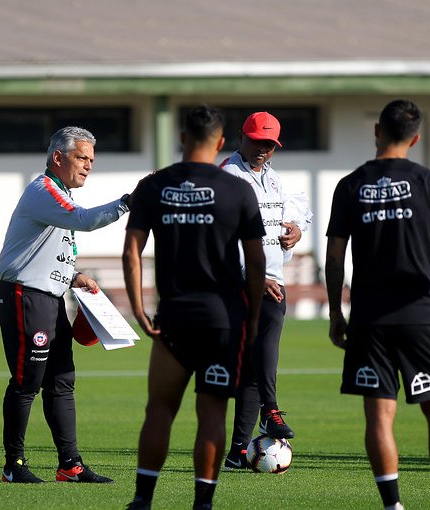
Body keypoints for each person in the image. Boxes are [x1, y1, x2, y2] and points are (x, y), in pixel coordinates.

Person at [123, 105, 266, 510]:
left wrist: (139, 310)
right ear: (221, 143)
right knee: (212, 415)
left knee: (159, 411)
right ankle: (202, 503)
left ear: (182, 138)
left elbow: (132, 253)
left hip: (173, 321)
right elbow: (256, 262)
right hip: (223, 322)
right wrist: (253, 318)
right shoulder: (239, 190)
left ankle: (142, 500)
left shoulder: (154, 187)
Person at [325, 99, 430, 510]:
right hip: (419, 316)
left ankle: (393, 506)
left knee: (379, 417)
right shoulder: (428, 181)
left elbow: (334, 257)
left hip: (369, 320)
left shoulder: (349, 185)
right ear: (415, 138)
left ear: (376, 131)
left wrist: (336, 312)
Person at [0, 126, 129, 484]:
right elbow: (82, 220)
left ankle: (70, 465)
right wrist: (129, 201)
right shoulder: (44, 190)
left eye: (91, 160)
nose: (88, 165)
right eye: (82, 157)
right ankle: (14, 465)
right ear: (58, 157)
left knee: (63, 381)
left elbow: (46, 253)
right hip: (24, 295)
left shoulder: (60, 194)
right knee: (27, 382)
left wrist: (74, 275)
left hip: (48, 297)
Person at [219, 111, 304, 469]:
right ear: (242, 137)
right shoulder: (227, 175)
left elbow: (297, 209)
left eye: (269, 145)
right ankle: (269, 410)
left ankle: (239, 452)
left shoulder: (273, 179)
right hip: (240, 283)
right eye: (257, 142)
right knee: (260, 350)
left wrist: (296, 230)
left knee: (253, 366)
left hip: (272, 281)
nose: (262, 150)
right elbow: (221, 238)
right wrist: (252, 276)